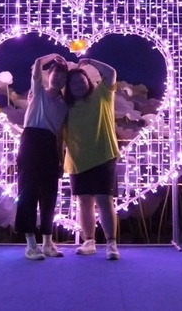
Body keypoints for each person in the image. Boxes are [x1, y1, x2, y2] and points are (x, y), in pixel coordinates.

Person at [63, 58, 121, 260]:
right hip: (77, 160)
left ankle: (111, 244)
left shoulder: (102, 95)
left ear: (88, 81)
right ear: (68, 88)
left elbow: (111, 72)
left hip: (103, 155)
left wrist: (90, 61)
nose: (78, 85)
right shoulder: (65, 106)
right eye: (73, 83)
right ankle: (89, 242)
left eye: (81, 80)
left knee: (105, 201)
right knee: (84, 202)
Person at [14, 53, 69, 260]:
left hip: (50, 145)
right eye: (56, 74)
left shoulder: (64, 105)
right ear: (49, 75)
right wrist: (54, 56)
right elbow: (37, 63)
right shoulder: (38, 92)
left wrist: (60, 158)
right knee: (28, 192)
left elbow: (60, 134)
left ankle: (47, 242)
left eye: (63, 76)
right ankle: (30, 245)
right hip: (31, 141)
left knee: (50, 194)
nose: (58, 78)